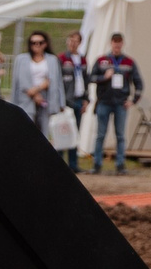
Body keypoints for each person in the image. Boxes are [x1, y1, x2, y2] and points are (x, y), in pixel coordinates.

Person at [89, 32, 142, 174]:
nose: (117, 45)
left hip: (121, 103)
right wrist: (104, 77)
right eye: (114, 42)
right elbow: (91, 77)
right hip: (104, 102)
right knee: (100, 134)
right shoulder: (101, 60)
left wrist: (133, 100)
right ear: (111, 43)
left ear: (122, 44)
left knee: (120, 135)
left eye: (119, 42)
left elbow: (138, 83)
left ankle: (120, 165)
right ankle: (97, 164)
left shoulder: (129, 62)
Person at [14, 31, 61, 140]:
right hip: (26, 96)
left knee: (43, 131)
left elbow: (55, 81)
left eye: (40, 42)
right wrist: (35, 92)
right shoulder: (22, 59)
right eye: (33, 42)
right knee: (26, 128)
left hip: (45, 97)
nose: (37, 45)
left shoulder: (52, 59)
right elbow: (19, 80)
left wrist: (59, 103)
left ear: (45, 44)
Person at [60, 30, 90, 170]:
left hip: (79, 99)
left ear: (80, 42)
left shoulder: (83, 59)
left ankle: (73, 165)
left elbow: (86, 79)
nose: (73, 43)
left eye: (76, 40)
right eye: (70, 40)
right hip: (66, 100)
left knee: (75, 133)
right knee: (62, 131)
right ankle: (59, 164)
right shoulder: (62, 58)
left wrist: (86, 99)